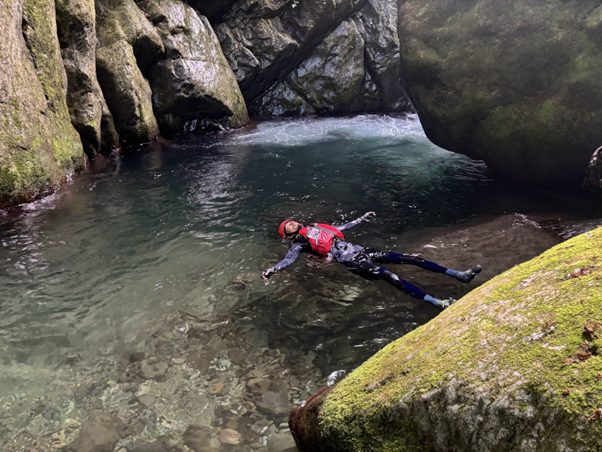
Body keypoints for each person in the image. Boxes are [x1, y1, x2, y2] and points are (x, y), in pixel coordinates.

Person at [261, 212, 482, 309]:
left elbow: (343, 227)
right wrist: (272, 269)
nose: (289, 222)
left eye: (289, 221)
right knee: (391, 276)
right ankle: (439, 303)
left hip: (360, 250)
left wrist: (363, 218)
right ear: (287, 235)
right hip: (353, 262)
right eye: (286, 225)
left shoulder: (316, 227)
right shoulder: (300, 245)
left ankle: (459, 275)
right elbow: (288, 261)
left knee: (411, 258)